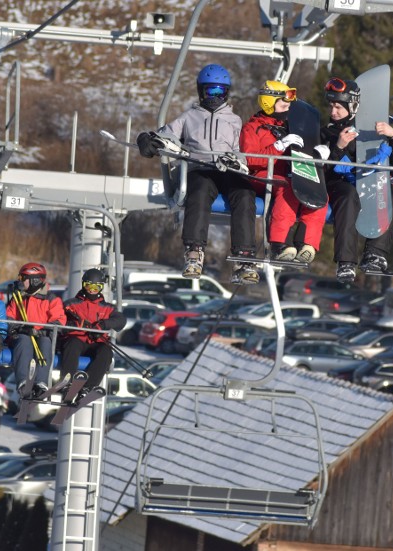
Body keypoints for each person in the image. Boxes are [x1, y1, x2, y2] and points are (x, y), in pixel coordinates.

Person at [136, 64, 264, 284]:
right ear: (200, 91)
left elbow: (240, 150)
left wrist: (237, 162)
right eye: (210, 91)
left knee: (245, 194)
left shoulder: (235, 120)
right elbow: (165, 137)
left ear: (227, 93)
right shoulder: (189, 117)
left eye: (219, 92)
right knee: (199, 192)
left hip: (227, 170)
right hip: (200, 169)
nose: (214, 97)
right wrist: (146, 140)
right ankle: (194, 251)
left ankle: (244, 257)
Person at [319, 77, 393, 282]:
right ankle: (346, 261)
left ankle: (376, 253)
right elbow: (325, 170)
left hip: (370, 181)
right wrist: (338, 147)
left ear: (353, 105)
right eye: (331, 106)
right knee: (348, 196)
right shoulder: (328, 132)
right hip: (342, 182)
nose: (333, 112)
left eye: (339, 107)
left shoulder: (376, 127)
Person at [239, 81, 329, 264]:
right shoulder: (252, 128)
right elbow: (249, 159)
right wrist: (278, 146)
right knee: (287, 187)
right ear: (268, 103)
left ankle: (306, 242)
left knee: (318, 192)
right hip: (261, 175)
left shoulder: (293, 126)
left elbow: (303, 153)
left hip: (289, 175)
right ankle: (280, 243)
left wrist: (318, 154)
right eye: (283, 105)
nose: (287, 109)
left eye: (289, 105)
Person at [59, 268, 127, 402]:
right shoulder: (71, 304)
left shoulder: (107, 308)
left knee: (106, 351)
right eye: (89, 286)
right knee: (72, 344)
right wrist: (75, 325)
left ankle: (87, 387)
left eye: (97, 287)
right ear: (84, 285)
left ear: (101, 288)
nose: (92, 290)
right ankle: (67, 383)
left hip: (95, 342)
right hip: (76, 339)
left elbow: (121, 320)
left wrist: (102, 325)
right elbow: (59, 320)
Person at [6, 262, 66, 399]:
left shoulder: (52, 299)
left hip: (43, 335)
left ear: (35, 280)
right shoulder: (19, 298)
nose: (20, 282)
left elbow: (59, 320)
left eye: (23, 279)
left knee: (45, 343)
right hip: (23, 335)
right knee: (23, 340)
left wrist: (39, 330)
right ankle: (23, 382)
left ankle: (41, 383)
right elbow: (8, 317)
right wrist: (19, 327)